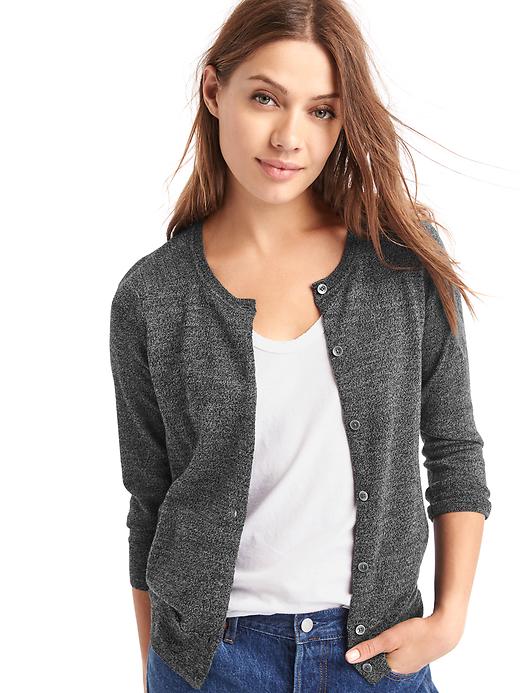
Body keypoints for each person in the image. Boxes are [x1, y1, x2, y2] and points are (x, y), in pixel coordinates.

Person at [109, 1, 492, 691]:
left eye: (321, 111)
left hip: (375, 655)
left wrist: (449, 618)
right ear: (213, 90)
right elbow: (150, 503)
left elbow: (454, 448)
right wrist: (156, 672)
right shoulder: (153, 295)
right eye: (265, 98)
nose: (290, 137)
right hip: (210, 663)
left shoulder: (402, 264)